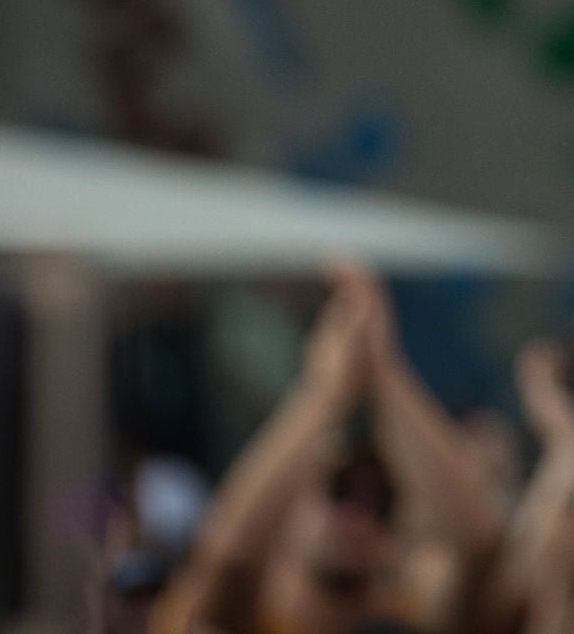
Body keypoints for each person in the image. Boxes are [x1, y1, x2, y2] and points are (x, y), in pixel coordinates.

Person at [155, 262, 503, 634]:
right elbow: (230, 557)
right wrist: (324, 393)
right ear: (289, 509)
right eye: (339, 492)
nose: (359, 519)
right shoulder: (247, 616)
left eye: (382, 506)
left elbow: (480, 546)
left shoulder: (409, 615)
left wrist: (386, 368)